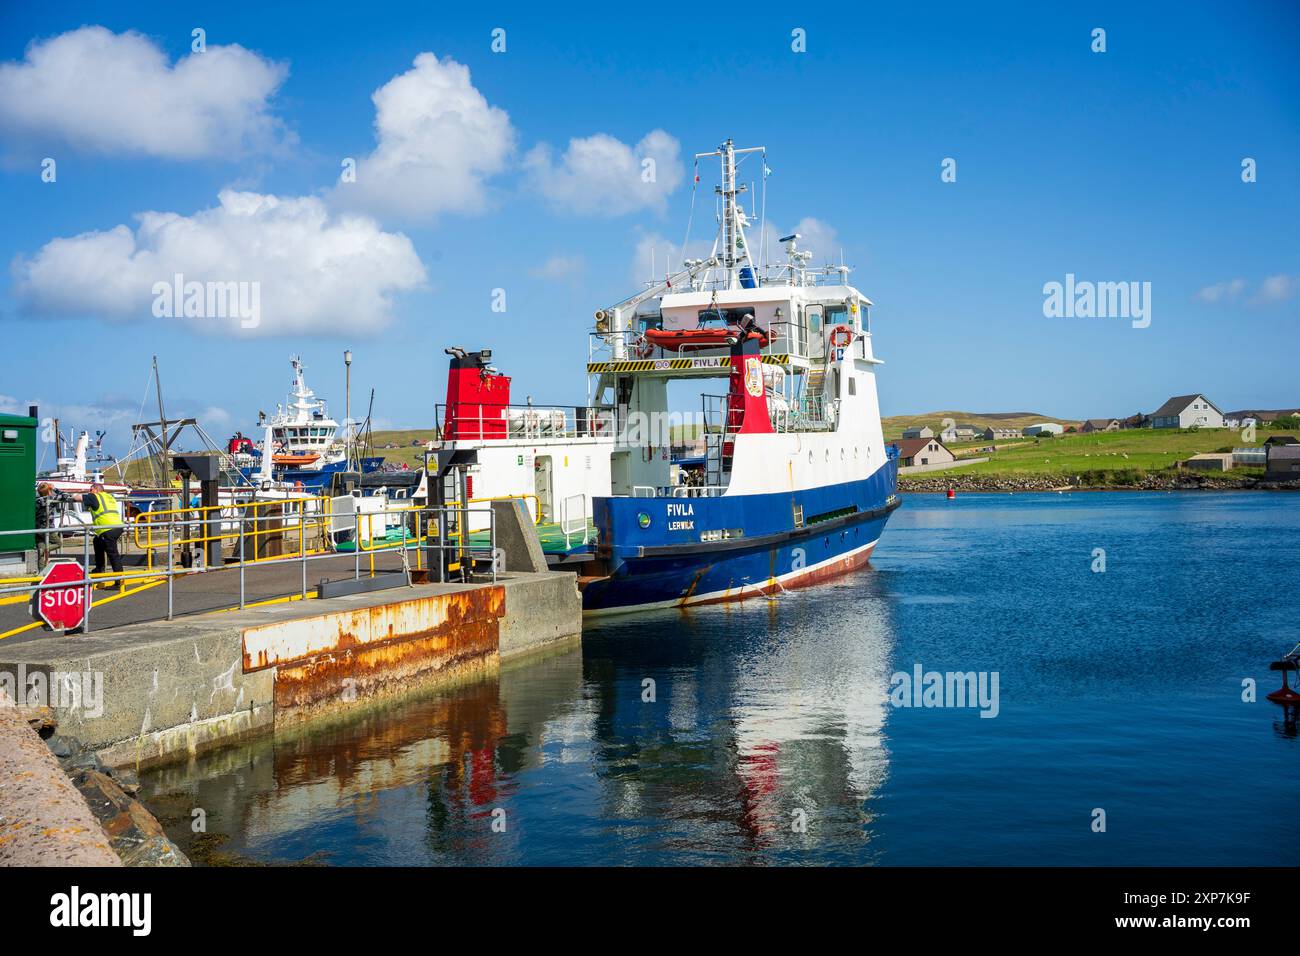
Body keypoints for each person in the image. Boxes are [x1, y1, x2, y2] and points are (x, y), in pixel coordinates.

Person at [72, 482, 125, 589]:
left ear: (96, 490)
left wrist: (71, 496)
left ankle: (119, 582)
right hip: (116, 526)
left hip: (107, 529)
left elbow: (77, 498)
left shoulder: (94, 496)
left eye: (90, 489)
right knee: (97, 541)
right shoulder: (108, 496)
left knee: (113, 554)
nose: (89, 491)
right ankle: (99, 568)